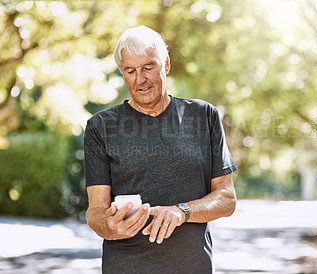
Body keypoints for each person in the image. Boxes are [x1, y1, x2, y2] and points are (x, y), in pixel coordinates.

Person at [84, 25, 237, 273]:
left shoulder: (203, 116)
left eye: (148, 67)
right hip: (125, 266)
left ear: (166, 65)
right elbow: (96, 211)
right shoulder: (100, 126)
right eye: (130, 71)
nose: (140, 79)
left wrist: (182, 211)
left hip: (192, 266)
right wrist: (109, 225)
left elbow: (226, 199)